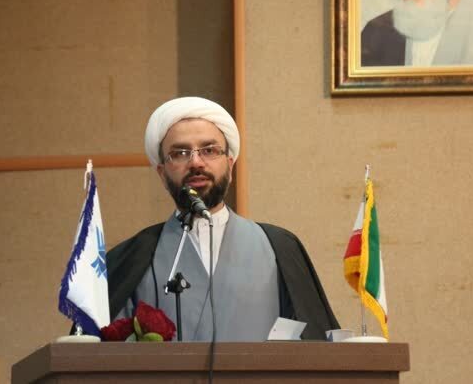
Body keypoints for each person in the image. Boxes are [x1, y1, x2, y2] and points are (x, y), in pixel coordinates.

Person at [104, 96, 339, 341]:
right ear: (162, 174)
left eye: (209, 150)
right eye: (180, 153)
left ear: (230, 165)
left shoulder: (280, 247)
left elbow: (316, 346)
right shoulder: (131, 259)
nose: (196, 162)